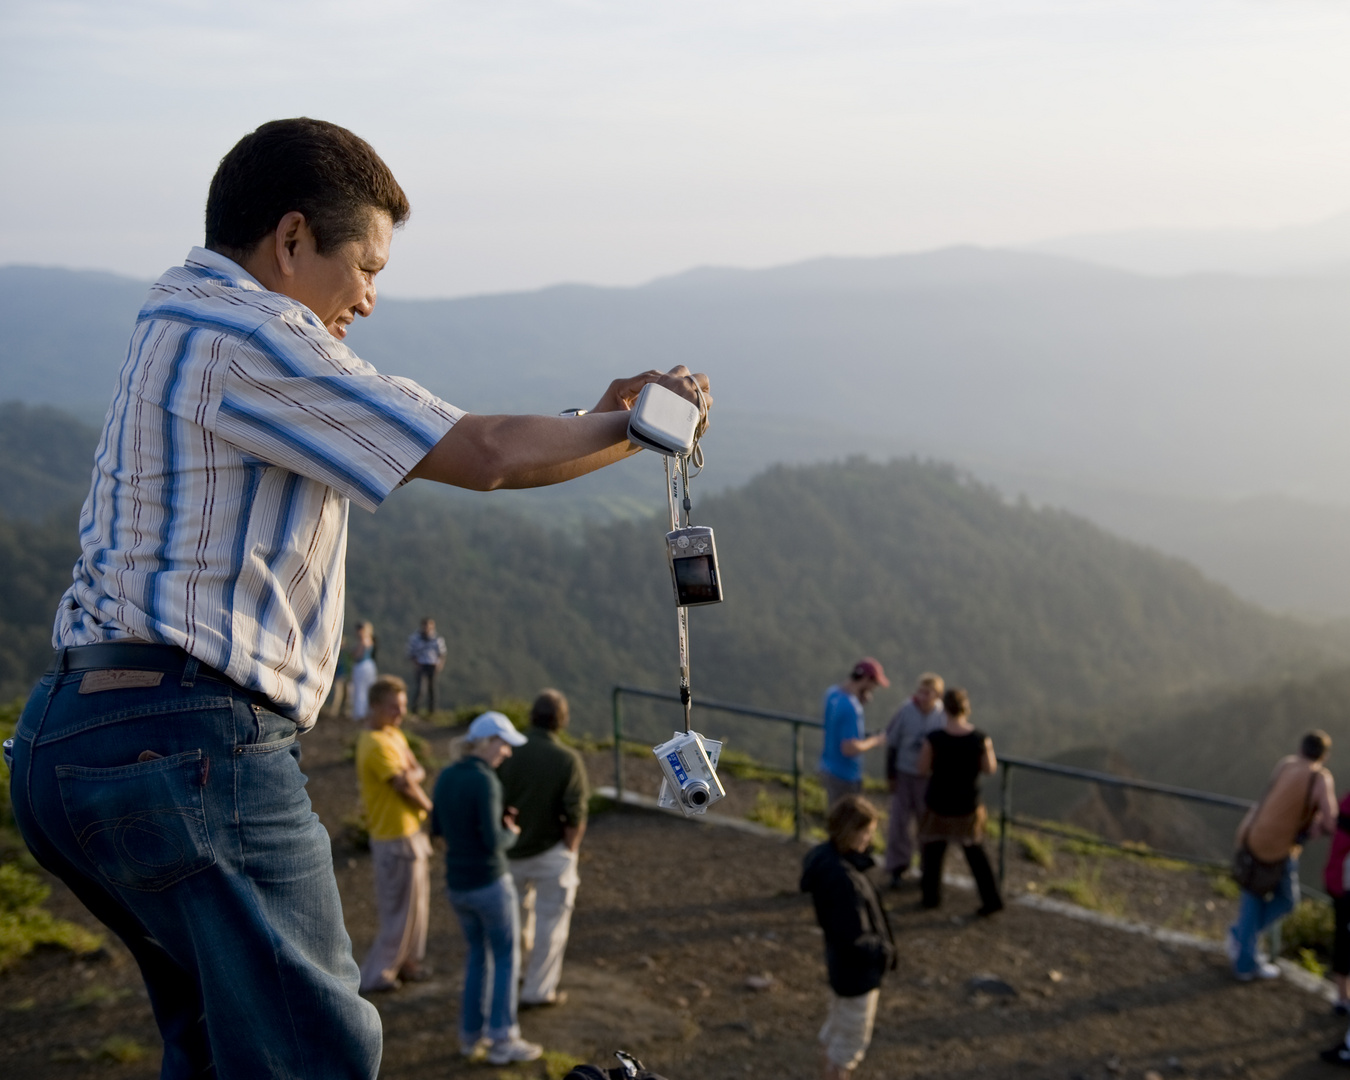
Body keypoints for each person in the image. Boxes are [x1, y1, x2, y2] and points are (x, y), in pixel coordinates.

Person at [6, 117, 712, 1079]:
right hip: (187, 742)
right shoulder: (251, 334)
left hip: (73, 737)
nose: (372, 299)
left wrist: (597, 422)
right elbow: (485, 456)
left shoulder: (176, 313)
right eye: (368, 266)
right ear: (291, 240)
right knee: (320, 1055)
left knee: (226, 1049)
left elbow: (474, 446)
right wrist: (635, 429)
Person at [432, 711, 540, 1065]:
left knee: (478, 955)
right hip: (489, 882)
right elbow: (494, 840)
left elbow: (437, 828)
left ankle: (469, 1037)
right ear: (489, 742)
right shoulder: (486, 781)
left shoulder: (447, 776)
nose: (507, 752)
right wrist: (513, 832)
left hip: (457, 884)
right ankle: (503, 1038)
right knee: (507, 957)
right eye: (504, 744)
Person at [497, 689, 588, 1009]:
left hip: (509, 851)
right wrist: (570, 850)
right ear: (561, 721)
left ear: (532, 716)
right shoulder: (567, 760)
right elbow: (575, 813)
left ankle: (513, 976)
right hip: (551, 853)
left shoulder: (508, 752)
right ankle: (538, 990)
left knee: (514, 920)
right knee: (551, 923)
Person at [800, 794, 896, 1080]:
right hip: (857, 976)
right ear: (851, 832)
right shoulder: (843, 879)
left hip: (841, 969)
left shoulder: (826, 861)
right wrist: (883, 951)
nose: (870, 839)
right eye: (866, 832)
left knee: (834, 1034)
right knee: (847, 1049)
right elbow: (852, 936)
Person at [1229, 730, 1334, 981]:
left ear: (1301, 749)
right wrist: (1318, 823)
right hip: (1278, 848)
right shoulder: (1319, 777)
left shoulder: (1286, 764)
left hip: (1253, 835)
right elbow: (1331, 819)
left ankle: (1243, 941)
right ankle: (1244, 955)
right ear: (1324, 756)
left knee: (1253, 899)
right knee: (1285, 900)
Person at [354, 676, 433, 992]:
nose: (400, 712)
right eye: (393, 707)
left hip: (408, 832)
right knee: (398, 909)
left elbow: (416, 771)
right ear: (375, 706)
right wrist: (431, 806)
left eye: (401, 706)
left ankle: (407, 963)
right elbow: (403, 783)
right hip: (393, 835)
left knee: (416, 905)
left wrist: (410, 779)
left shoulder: (393, 735)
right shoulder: (374, 744)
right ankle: (378, 974)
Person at [915, 687, 1002, 916]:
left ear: (944, 709)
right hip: (967, 805)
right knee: (975, 854)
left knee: (933, 853)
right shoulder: (980, 739)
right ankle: (991, 899)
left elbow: (922, 769)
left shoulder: (934, 739)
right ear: (966, 708)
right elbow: (989, 768)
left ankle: (930, 898)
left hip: (938, 802)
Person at [882, 672, 945, 888]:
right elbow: (892, 743)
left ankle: (927, 868)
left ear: (937, 695)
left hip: (927, 778)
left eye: (927, 693)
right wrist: (890, 775)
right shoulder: (906, 711)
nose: (923, 696)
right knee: (899, 823)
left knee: (926, 825)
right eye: (920, 691)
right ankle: (897, 867)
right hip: (904, 773)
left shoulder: (942, 716)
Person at [818, 659, 890, 810]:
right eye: (874, 684)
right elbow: (849, 748)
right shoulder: (851, 707)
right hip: (845, 775)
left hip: (827, 765)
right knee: (847, 824)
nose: (874, 688)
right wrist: (875, 741)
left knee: (835, 815)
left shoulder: (832, 693)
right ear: (866, 680)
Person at [1323, 781, 1350, 1015]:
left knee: (1342, 940)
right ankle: (1343, 998)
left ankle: (1342, 997)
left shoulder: (1346, 802)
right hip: (1344, 885)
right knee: (1343, 940)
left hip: (1338, 881)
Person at [406, 617, 447, 716]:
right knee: (420, 688)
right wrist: (416, 664)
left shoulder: (437, 639)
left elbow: (442, 653)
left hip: (432, 664)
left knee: (432, 688)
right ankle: (415, 710)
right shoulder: (415, 639)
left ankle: (432, 711)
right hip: (421, 664)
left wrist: (440, 664)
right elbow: (411, 652)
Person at [351, 620, 379, 723]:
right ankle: (369, 711)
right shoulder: (371, 640)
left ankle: (360, 713)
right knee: (368, 689)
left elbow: (357, 655)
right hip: (370, 665)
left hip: (361, 666)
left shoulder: (362, 641)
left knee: (360, 690)